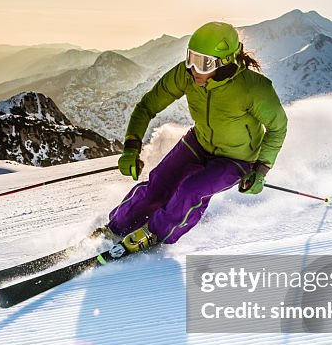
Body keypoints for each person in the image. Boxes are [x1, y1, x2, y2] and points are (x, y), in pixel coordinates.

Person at [106, 21, 288, 252]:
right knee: (158, 185)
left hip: (236, 159)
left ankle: (156, 233)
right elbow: (147, 106)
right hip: (198, 143)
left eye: (203, 63)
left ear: (225, 63)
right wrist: (131, 149)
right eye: (191, 58)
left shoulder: (255, 89)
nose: (193, 69)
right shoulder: (186, 75)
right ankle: (116, 227)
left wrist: (261, 170)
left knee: (190, 191)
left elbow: (278, 127)